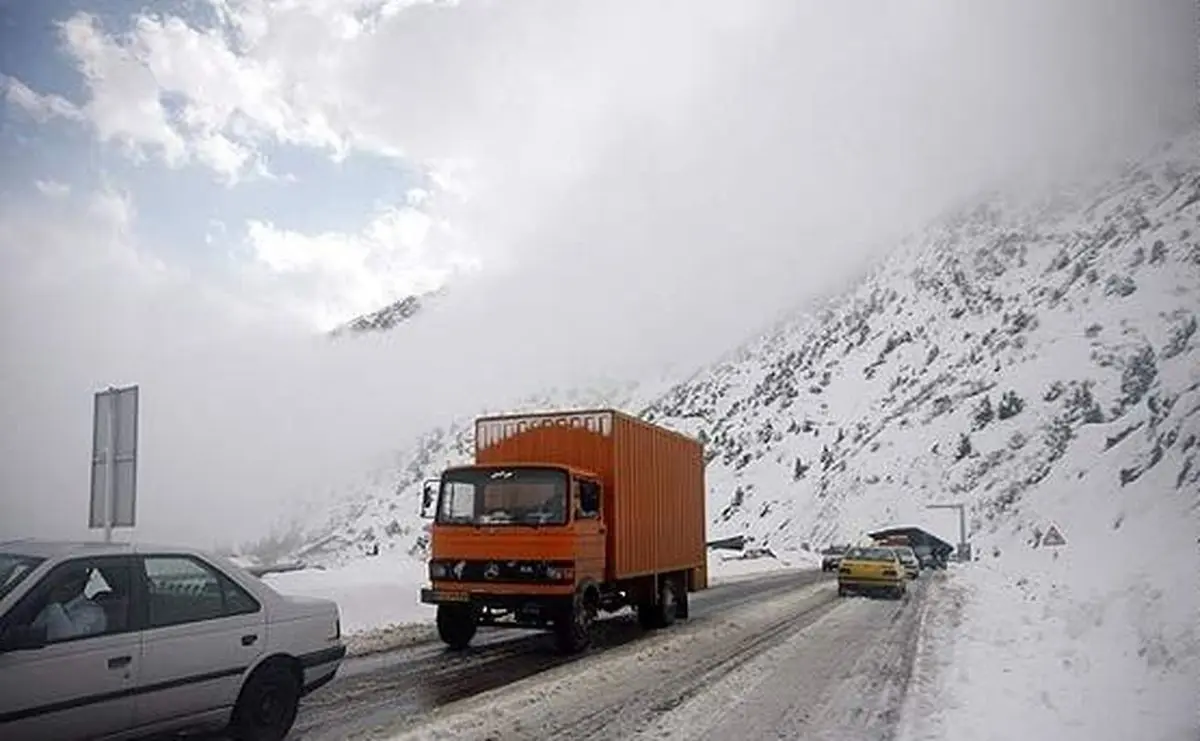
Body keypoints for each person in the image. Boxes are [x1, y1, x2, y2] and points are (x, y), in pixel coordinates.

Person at [31, 567, 107, 641]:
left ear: (80, 583)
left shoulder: (90, 611)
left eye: (70, 579)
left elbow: (64, 638)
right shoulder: (57, 603)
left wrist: (54, 603)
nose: (60, 583)